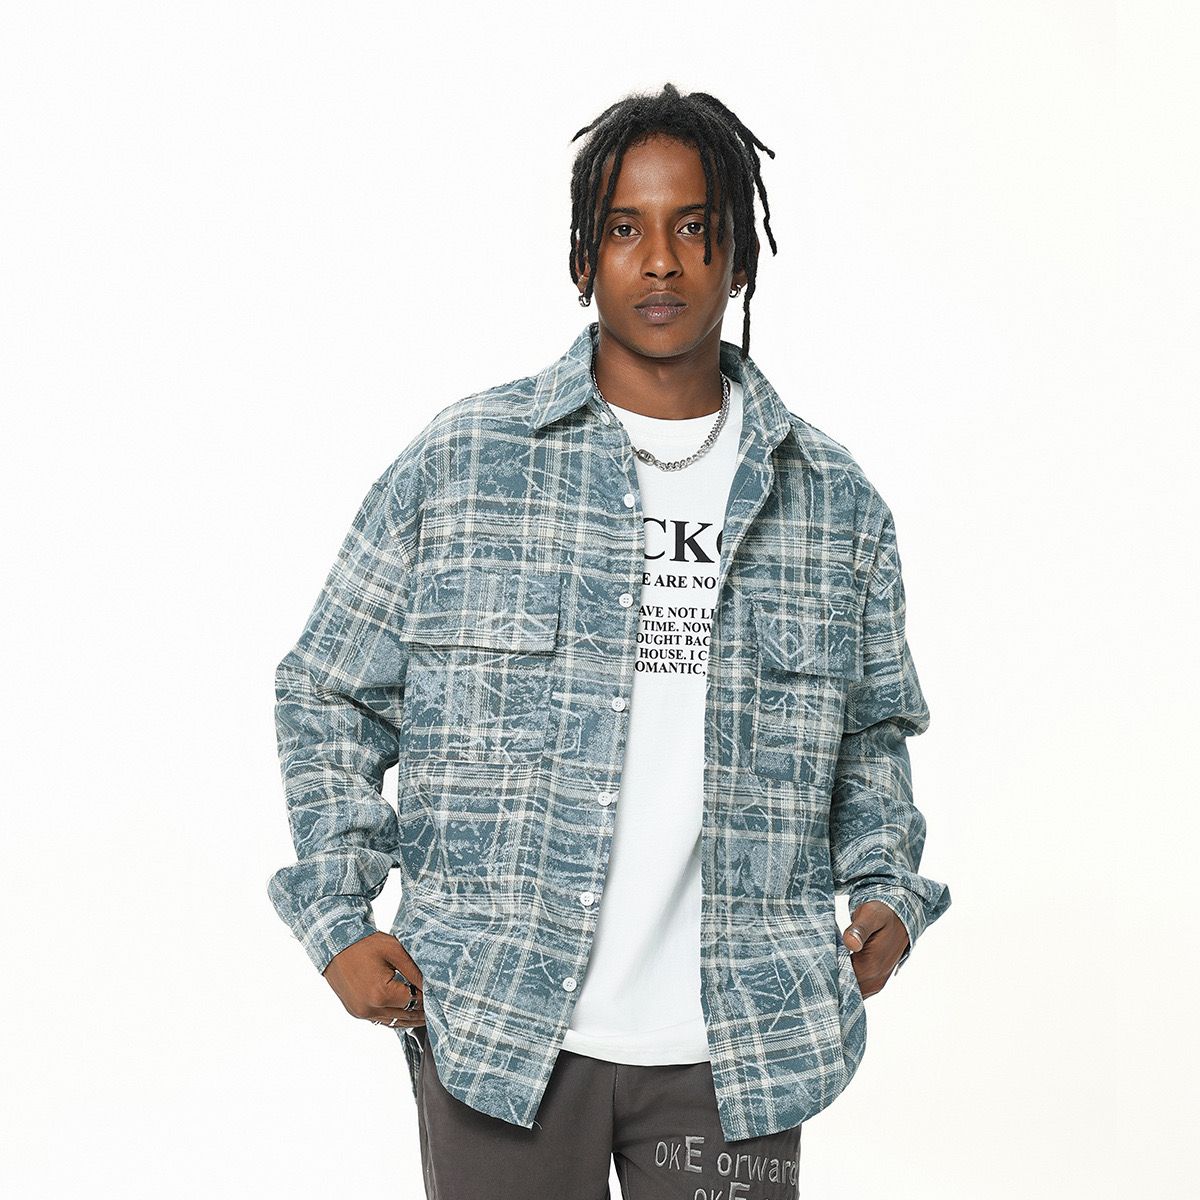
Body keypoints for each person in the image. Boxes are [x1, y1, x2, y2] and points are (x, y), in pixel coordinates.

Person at [267, 82, 951, 1199]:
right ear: (584, 258)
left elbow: (872, 735)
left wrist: (886, 893)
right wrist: (337, 915)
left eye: (695, 227)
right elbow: (329, 690)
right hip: (499, 1025)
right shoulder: (466, 463)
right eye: (626, 228)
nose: (661, 261)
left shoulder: (832, 503)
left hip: (742, 1046)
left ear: (739, 257)